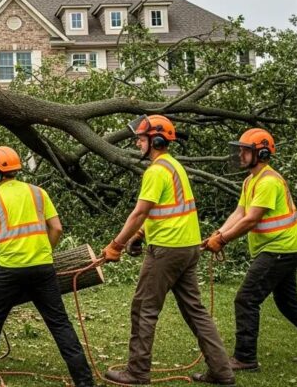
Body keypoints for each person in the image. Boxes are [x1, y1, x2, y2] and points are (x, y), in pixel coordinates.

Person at [100, 115, 234, 385]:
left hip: (167, 250)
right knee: (195, 311)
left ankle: (137, 372)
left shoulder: (156, 171)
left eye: (141, 138)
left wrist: (116, 245)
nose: (137, 142)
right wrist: (139, 236)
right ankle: (221, 370)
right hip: (187, 248)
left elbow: (140, 212)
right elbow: (166, 211)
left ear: (157, 140)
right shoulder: (174, 167)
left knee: (143, 309)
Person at [203, 128, 297, 371]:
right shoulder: (250, 181)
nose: (240, 154)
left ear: (262, 153)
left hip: (279, 249)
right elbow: (239, 213)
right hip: (281, 248)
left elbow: (251, 220)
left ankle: (245, 358)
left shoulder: (268, 182)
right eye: (241, 149)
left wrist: (223, 241)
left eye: (246, 150)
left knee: (246, 299)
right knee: (288, 303)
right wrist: (218, 233)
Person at [0, 146, 95, 386]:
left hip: (8, 271)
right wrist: (44, 251)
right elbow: (56, 228)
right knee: (59, 323)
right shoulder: (39, 193)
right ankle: (84, 380)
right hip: (43, 269)